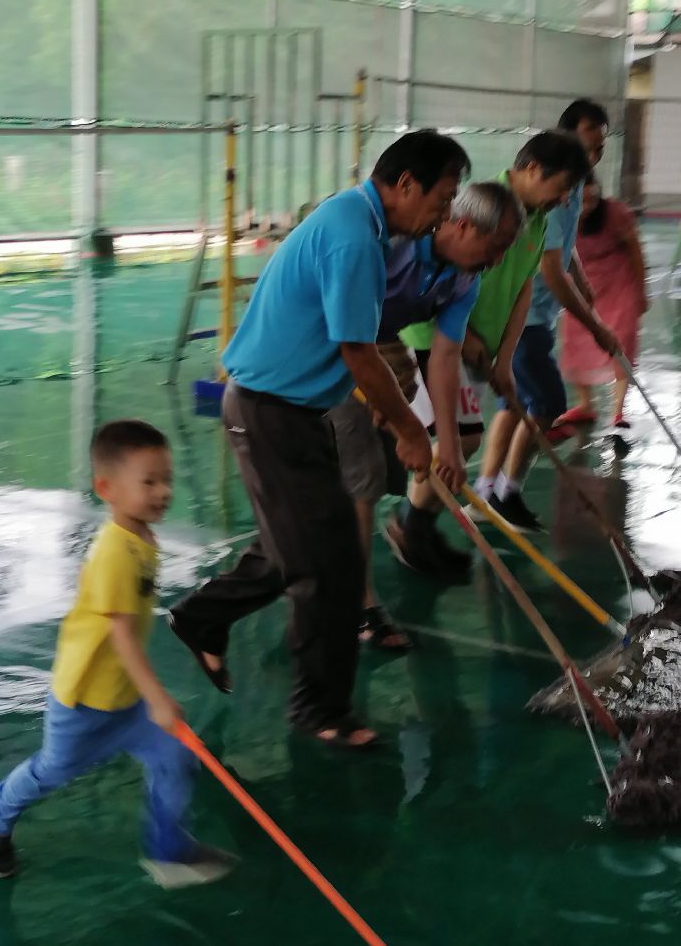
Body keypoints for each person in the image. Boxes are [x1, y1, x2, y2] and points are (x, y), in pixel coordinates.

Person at [168, 131, 471, 750]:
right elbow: (357, 351)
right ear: (405, 184)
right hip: (268, 411)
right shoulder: (353, 236)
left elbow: (350, 346)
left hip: (296, 409)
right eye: (442, 198)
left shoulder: (362, 224)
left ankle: (201, 617)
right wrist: (411, 430)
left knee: (300, 549)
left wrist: (388, 411)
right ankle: (318, 707)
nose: (443, 215)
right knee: (324, 566)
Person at [0, 419, 235, 888]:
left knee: (176, 753)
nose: (164, 492)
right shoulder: (114, 552)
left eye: (167, 480)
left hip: (123, 697)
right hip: (85, 701)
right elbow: (122, 635)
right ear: (107, 489)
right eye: (149, 482)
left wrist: (145, 696)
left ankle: (168, 851)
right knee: (53, 770)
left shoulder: (141, 539)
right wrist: (158, 696)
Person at [385, 130, 591, 574]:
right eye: (563, 186)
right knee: (458, 439)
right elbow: (444, 274)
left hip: (476, 343)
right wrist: (467, 339)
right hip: (436, 338)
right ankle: (411, 526)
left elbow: (522, 290)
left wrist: (505, 359)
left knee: (464, 439)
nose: (566, 198)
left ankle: (419, 524)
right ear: (533, 169)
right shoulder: (483, 206)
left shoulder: (536, 219)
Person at [329, 181, 525, 617]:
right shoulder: (392, 248)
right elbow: (348, 328)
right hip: (338, 341)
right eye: (495, 247)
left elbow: (445, 356)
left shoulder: (465, 279)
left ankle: (404, 534)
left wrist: (448, 448)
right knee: (363, 477)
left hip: (380, 342)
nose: (497, 261)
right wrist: (407, 428)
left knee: (378, 473)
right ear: (463, 225)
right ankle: (359, 602)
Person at [469, 100, 622, 534]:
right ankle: (503, 491)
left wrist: (580, 276)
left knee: (513, 404)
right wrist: (596, 327)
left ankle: (487, 491)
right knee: (547, 402)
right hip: (525, 317)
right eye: (590, 137)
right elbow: (548, 269)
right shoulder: (537, 196)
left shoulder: (565, 188)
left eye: (601, 143)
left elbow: (559, 249)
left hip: (531, 315)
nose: (596, 149)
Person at [561, 177, 648, 428]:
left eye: (593, 199)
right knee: (575, 340)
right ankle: (585, 405)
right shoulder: (563, 216)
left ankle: (618, 410)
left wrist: (641, 291)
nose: (587, 206)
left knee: (621, 342)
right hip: (584, 284)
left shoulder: (616, 213)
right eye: (583, 201)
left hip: (620, 284)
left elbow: (635, 251)